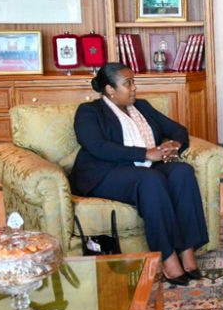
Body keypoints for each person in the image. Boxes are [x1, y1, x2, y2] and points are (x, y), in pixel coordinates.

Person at [69, 63, 208, 286]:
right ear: (110, 89)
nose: (134, 87)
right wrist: (145, 153)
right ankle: (167, 257)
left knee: (182, 171)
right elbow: (96, 146)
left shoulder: (142, 107)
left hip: (144, 168)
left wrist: (174, 145)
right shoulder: (89, 112)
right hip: (105, 173)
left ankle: (187, 252)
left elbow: (178, 129)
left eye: (134, 82)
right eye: (128, 83)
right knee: (150, 180)